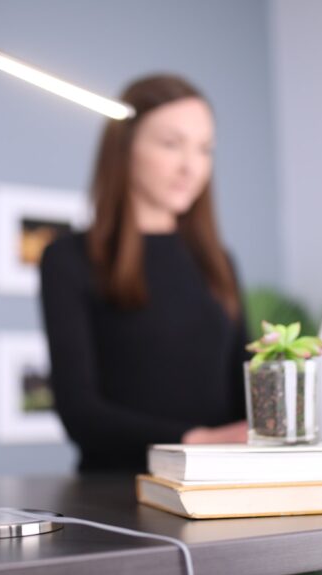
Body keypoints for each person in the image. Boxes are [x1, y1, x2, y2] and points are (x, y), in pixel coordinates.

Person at [39, 74, 250, 473]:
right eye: (171, 144)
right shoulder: (68, 259)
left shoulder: (220, 262)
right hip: (115, 491)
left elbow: (243, 393)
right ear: (125, 147)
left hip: (218, 485)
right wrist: (196, 441)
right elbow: (80, 413)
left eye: (204, 149)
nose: (191, 167)